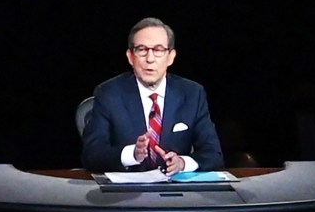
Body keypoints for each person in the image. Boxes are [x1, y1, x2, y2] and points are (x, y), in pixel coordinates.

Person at [79, 17, 223, 174]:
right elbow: (92, 155)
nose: (150, 58)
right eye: (142, 50)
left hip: (176, 192)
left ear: (171, 57)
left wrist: (182, 163)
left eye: (158, 50)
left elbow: (213, 154)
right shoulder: (109, 93)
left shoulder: (192, 94)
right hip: (127, 193)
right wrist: (132, 154)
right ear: (130, 57)